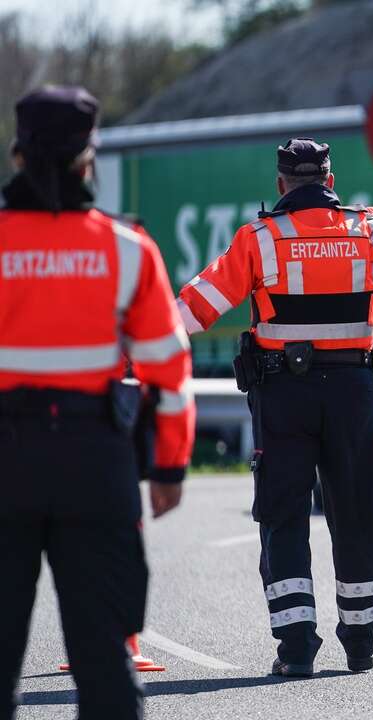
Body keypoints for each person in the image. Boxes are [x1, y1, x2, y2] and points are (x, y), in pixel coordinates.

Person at [175, 102, 373, 677]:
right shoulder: (366, 231)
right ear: (331, 182)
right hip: (353, 395)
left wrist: (131, 341)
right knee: (357, 510)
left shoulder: (258, 241)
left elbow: (195, 309)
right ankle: (361, 643)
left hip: (283, 397)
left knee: (285, 514)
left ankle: (295, 649)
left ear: (281, 184)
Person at [0, 86, 194, 720]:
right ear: (90, 162)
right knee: (106, 665)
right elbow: (169, 367)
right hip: (96, 467)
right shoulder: (128, 250)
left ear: (19, 158)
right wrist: (167, 468)